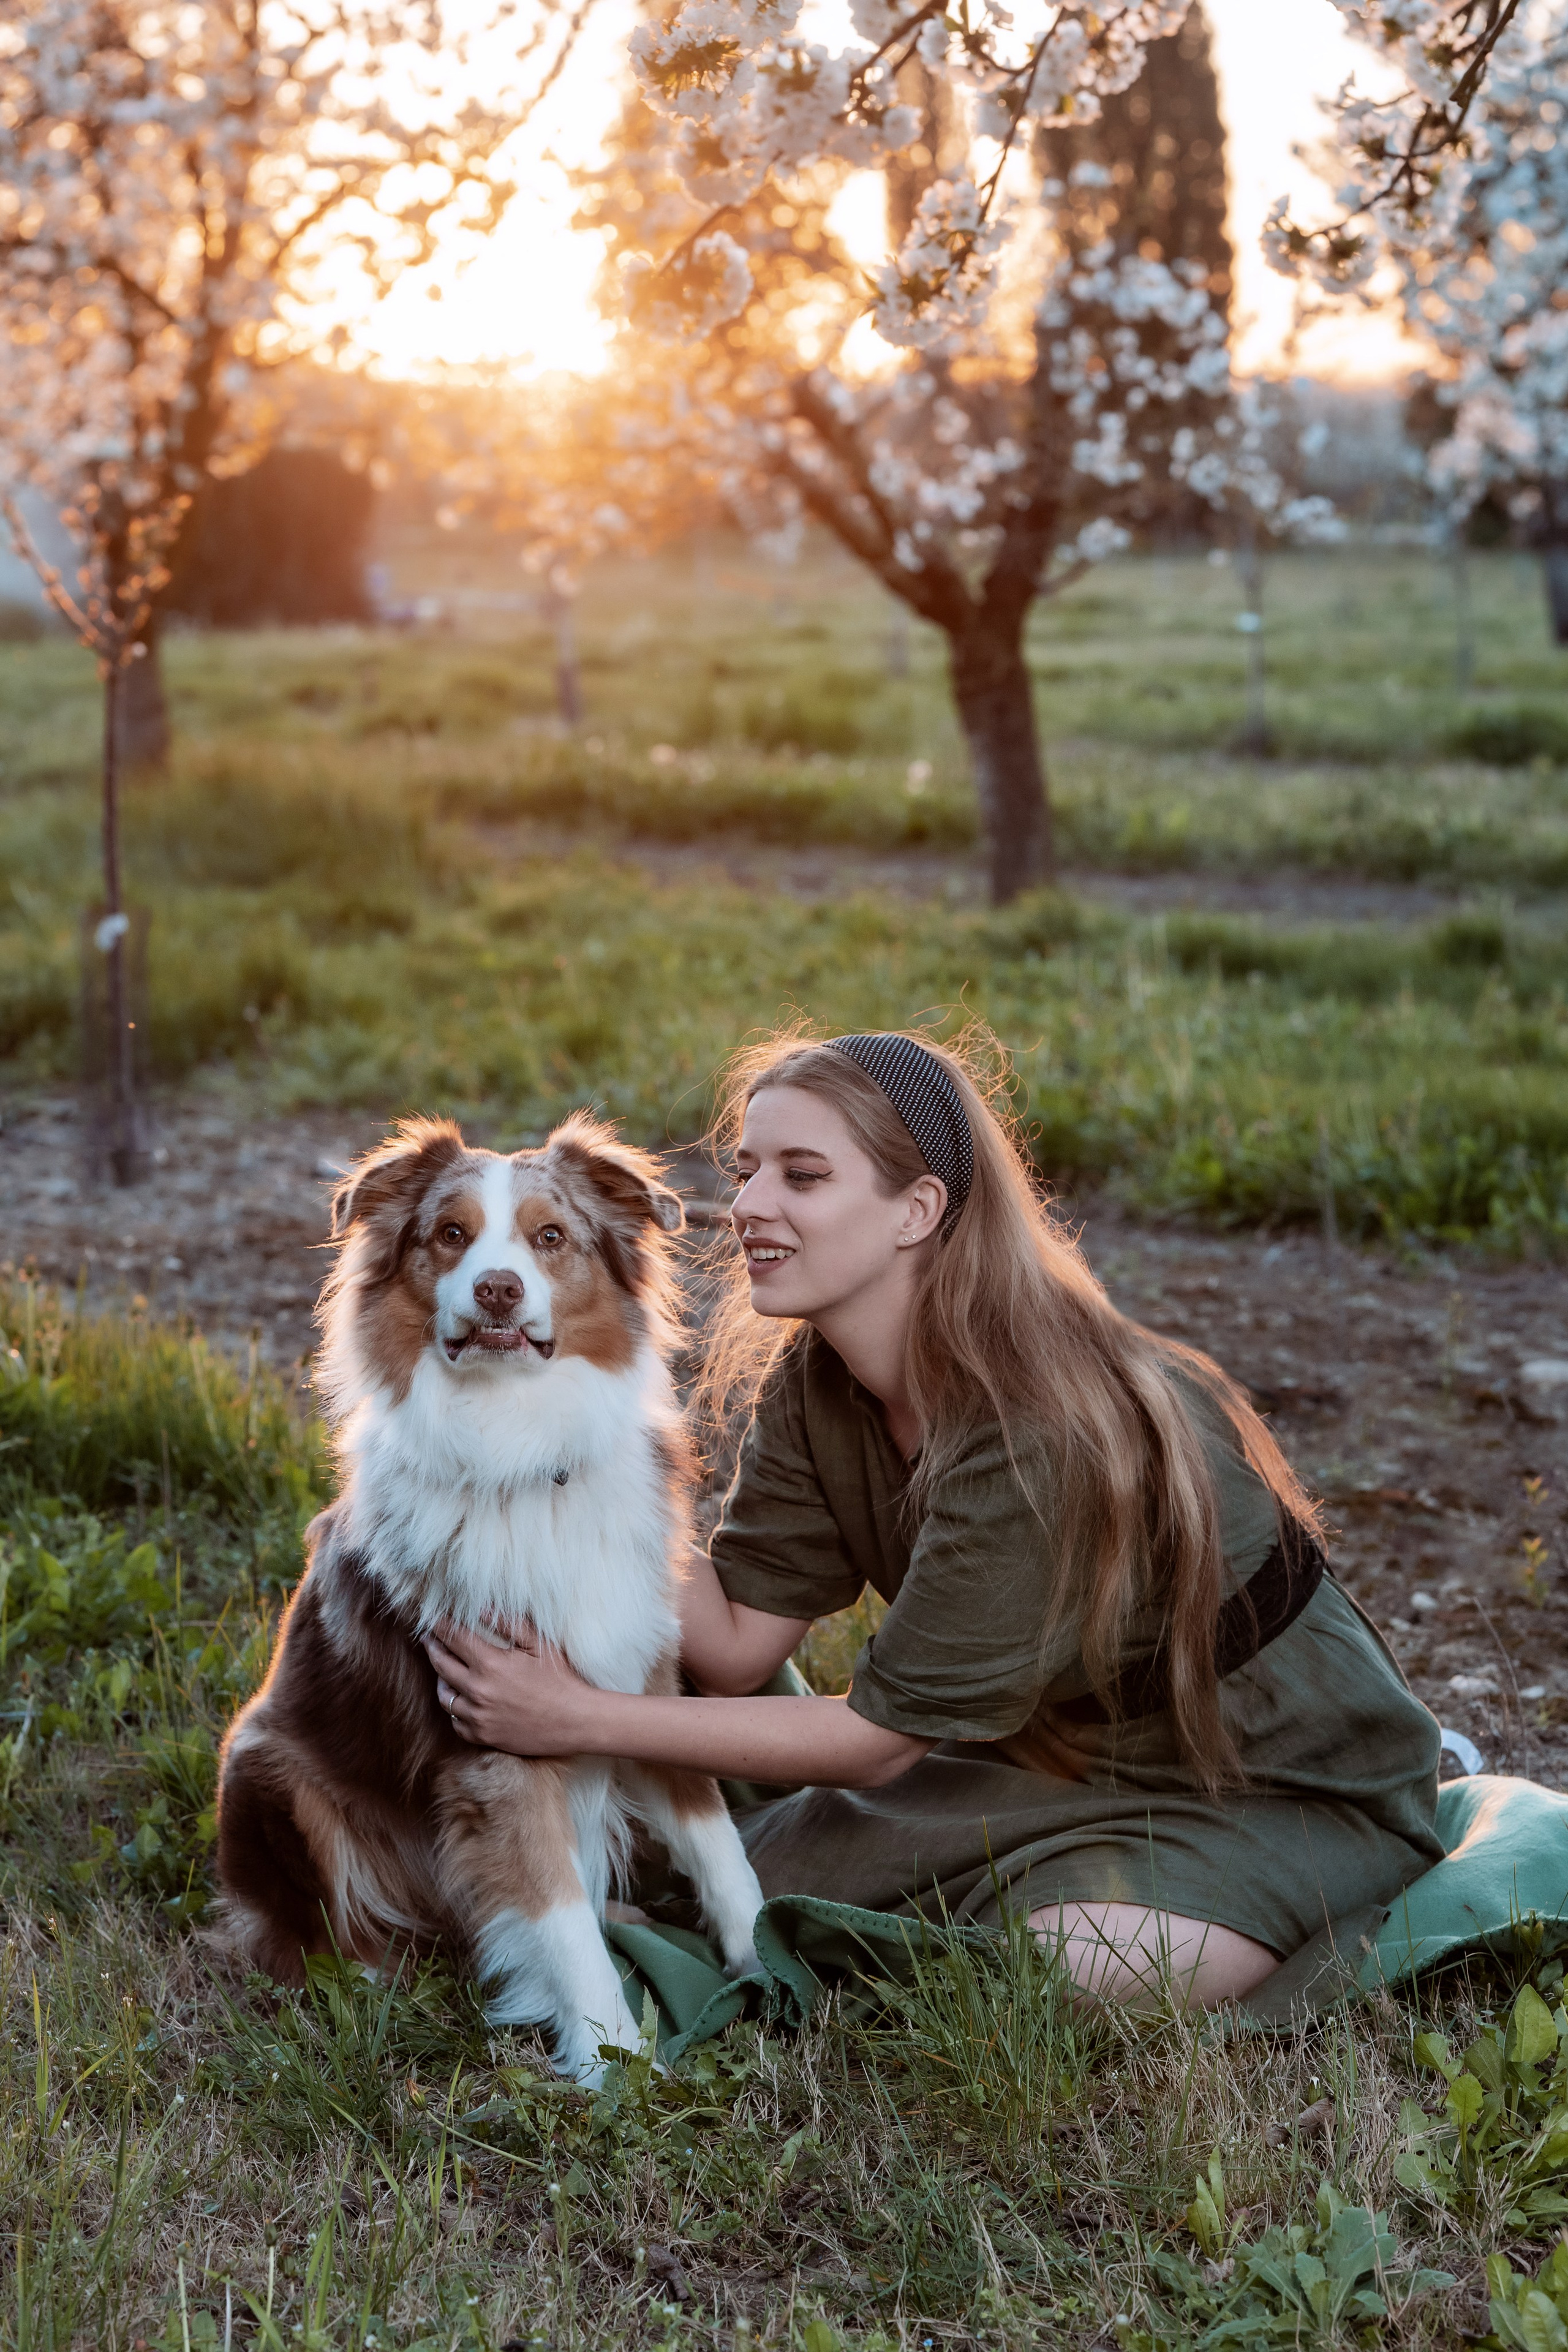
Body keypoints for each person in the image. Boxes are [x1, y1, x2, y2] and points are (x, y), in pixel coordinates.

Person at [425, 1028, 1443, 2009]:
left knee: (1057, 1972)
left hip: (1266, 1778)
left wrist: (575, 1717)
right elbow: (733, 1647)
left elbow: (878, 1745)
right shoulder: (819, 1381)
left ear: (917, 1210)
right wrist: (578, 1450)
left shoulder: (1035, 1427)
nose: (746, 1206)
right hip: (1036, 1756)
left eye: (802, 1176)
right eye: (746, 1171)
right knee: (722, 1863)